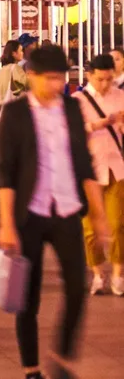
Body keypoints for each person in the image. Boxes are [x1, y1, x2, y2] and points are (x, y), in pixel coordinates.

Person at [0, 44, 108, 379]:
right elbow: (7, 174)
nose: (56, 85)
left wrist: (99, 217)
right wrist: (6, 225)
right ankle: (31, 368)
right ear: (30, 76)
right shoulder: (15, 114)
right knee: (27, 297)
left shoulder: (72, 110)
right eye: (49, 78)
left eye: (61, 78)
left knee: (77, 287)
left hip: (67, 210)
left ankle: (62, 357)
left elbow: (85, 166)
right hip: (29, 215)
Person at [76, 53, 124, 294]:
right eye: (100, 79)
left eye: (109, 79)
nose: (106, 84)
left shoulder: (121, 96)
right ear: (89, 75)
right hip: (90, 171)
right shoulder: (78, 100)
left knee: (118, 225)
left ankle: (117, 274)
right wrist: (98, 124)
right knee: (90, 229)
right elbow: (73, 135)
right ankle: (97, 273)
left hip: (117, 169)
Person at [0, 39, 29, 106]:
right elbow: (28, 82)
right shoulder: (15, 68)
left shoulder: (3, 69)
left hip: (4, 106)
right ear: (13, 53)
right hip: (14, 106)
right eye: (20, 50)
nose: (22, 53)